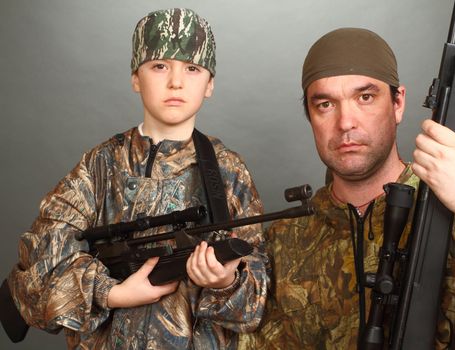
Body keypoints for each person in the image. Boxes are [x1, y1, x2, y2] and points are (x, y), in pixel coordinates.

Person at [239, 28, 455, 349]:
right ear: (310, 115)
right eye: (325, 104)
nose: (346, 122)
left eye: (365, 97)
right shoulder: (285, 240)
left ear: (398, 103)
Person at [3, 8, 269, 349]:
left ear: (210, 85)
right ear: (135, 78)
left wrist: (226, 282)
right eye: (160, 66)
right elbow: (40, 259)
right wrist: (110, 292)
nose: (176, 81)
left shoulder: (228, 171)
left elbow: (258, 302)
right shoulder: (99, 164)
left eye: (192, 68)